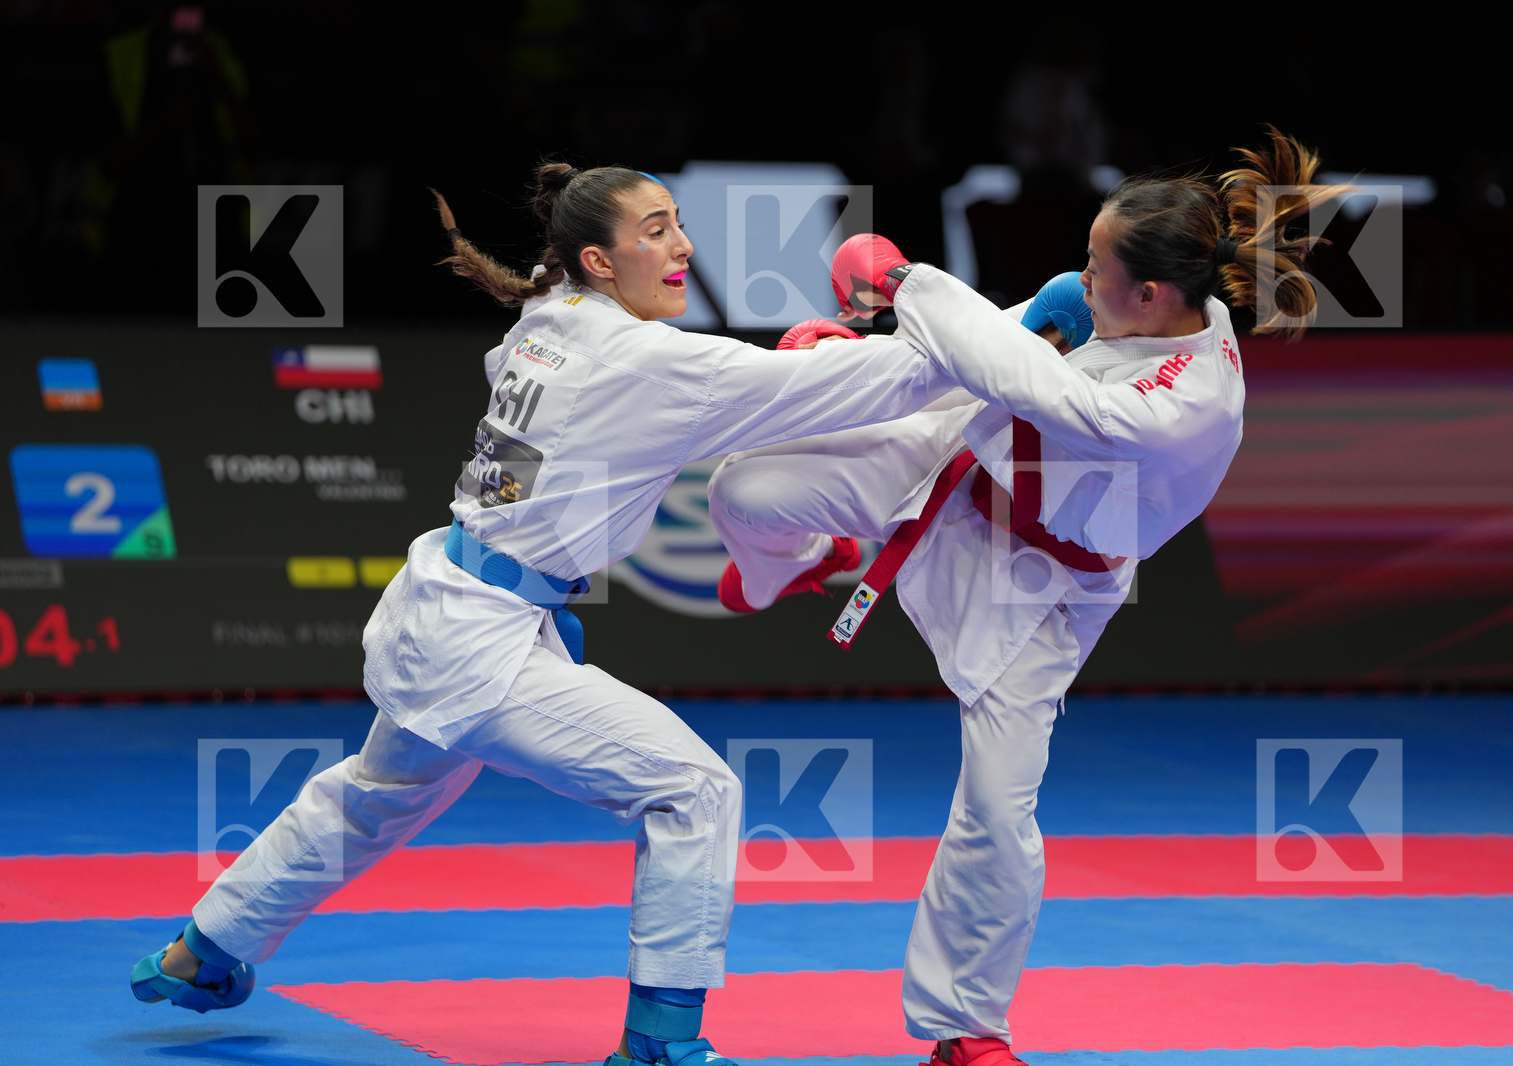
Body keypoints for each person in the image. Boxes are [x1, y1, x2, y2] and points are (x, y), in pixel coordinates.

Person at [129, 162, 966, 1066]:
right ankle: (660, 1044)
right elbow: (891, 384)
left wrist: (814, 359)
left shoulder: (550, 315)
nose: (684, 247)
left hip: (446, 599)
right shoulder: (645, 359)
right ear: (598, 261)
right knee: (693, 790)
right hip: (479, 642)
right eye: (656, 231)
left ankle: (202, 952)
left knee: (373, 798)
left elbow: (587, 379)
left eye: (677, 223)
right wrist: (993, 315)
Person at [708, 129, 1349, 1066]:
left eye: (1096, 267)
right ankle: (806, 560)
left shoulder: (1183, 403)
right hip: (964, 465)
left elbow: (1009, 369)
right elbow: (971, 355)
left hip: (1045, 588)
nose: (1081, 278)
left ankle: (967, 1028)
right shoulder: (1120, 305)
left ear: (1151, 295)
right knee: (745, 490)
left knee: (998, 806)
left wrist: (902, 281)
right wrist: (851, 361)